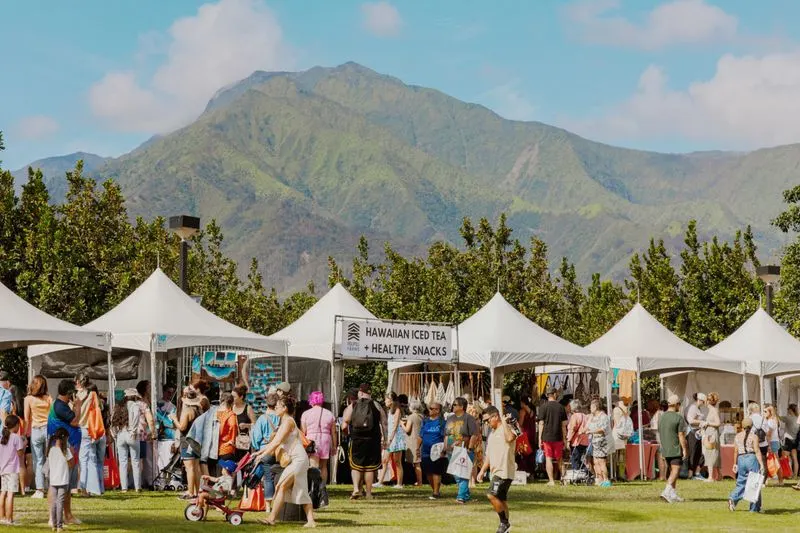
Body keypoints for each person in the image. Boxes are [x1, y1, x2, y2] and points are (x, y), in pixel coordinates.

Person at [258, 396, 316, 528]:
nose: (276, 408)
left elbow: (277, 442)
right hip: (296, 460)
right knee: (299, 489)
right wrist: (258, 453)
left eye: (278, 406)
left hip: (298, 460)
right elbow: (274, 442)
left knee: (282, 486)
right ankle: (311, 521)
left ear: (285, 408)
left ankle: (272, 518)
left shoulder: (288, 421)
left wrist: (262, 454)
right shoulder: (284, 421)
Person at [477, 406, 517, 533]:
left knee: (491, 495)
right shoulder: (492, 433)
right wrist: (482, 470)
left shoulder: (508, 428)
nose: (486, 423)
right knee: (502, 499)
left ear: (495, 416)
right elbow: (488, 455)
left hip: (504, 471)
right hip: (495, 471)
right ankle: (506, 528)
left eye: (488, 420)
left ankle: (504, 523)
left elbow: (510, 438)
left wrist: (504, 422)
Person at [47, 379, 81, 526]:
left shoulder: (62, 405)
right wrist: (78, 406)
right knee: (58, 484)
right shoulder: (60, 406)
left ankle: (66, 515)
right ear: (69, 393)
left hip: (66, 449)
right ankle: (57, 517)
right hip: (63, 451)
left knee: (64, 485)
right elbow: (74, 421)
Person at [345, 383, 384, 500]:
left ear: (360, 392)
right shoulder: (376, 405)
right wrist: (386, 438)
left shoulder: (353, 405)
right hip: (373, 439)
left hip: (357, 439)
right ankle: (368, 493)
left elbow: (345, 421)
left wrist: (348, 433)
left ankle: (356, 489)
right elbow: (384, 422)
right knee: (370, 467)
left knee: (356, 466)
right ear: (370, 393)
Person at [74, 373, 105, 496]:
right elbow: (100, 408)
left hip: (79, 428)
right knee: (91, 459)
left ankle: (83, 488)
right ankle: (94, 488)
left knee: (83, 460)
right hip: (90, 429)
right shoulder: (92, 394)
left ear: (78, 382)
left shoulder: (75, 396)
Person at [169, 387, 203, 498]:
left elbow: (182, 427)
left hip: (188, 441)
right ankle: (197, 492)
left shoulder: (187, 411)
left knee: (189, 468)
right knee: (196, 468)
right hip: (197, 441)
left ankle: (190, 492)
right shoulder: (199, 410)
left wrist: (174, 418)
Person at [728, 417, 766, 512]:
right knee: (754, 483)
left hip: (741, 459)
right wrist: (761, 464)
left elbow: (735, 451)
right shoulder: (754, 436)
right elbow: (757, 450)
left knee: (741, 482)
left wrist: (735, 463)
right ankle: (754, 508)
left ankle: (733, 498)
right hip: (751, 458)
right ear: (752, 425)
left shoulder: (737, 436)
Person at [251, 393, 281, 512]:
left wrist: (258, 449)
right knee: (280, 476)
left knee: (268, 478)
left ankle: (268, 506)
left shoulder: (262, 418)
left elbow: (256, 438)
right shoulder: (281, 418)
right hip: (279, 452)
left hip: (266, 452)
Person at [446, 397, 479, 503]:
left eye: (455, 404)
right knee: (456, 474)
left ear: (461, 407)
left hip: (464, 450)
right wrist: (445, 448)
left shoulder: (468, 418)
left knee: (463, 473)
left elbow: (474, 434)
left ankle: (461, 496)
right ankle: (466, 495)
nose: (453, 406)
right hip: (451, 450)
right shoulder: (450, 418)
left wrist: (470, 448)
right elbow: (446, 434)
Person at [111, 389, 145, 493]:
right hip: (131, 433)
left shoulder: (119, 406)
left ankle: (124, 487)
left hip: (121, 434)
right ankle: (137, 487)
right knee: (135, 461)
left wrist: (115, 435)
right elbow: (135, 419)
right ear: (134, 396)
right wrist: (133, 431)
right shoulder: (134, 405)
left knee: (123, 462)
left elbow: (112, 421)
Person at [24, 375, 51, 499]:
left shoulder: (28, 399)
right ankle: (52, 486)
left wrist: (24, 435)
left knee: (38, 461)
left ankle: (40, 489)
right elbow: (51, 416)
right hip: (48, 430)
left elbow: (26, 419)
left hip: (35, 430)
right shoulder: (48, 398)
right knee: (50, 459)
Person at [658, 394, 688, 503]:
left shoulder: (661, 417)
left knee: (672, 471)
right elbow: (681, 435)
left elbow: (660, 432)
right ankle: (666, 491)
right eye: (679, 404)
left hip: (665, 447)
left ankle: (673, 494)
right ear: (676, 405)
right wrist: (684, 449)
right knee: (676, 471)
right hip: (675, 447)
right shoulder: (678, 417)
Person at [301, 391, 336, 484]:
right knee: (324, 466)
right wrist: (334, 446)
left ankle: (314, 486)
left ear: (311, 400)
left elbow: (303, 432)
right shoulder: (329, 414)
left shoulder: (306, 414)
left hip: (311, 440)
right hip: (325, 439)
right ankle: (323, 487)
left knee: (313, 465)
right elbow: (333, 432)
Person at [537, 388, 568, 486]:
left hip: (546, 437)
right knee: (560, 459)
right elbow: (564, 425)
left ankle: (551, 480)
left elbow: (541, 424)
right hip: (558, 436)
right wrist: (565, 439)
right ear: (554, 394)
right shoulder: (561, 407)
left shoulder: (543, 407)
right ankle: (564, 479)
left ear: (547, 395)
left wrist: (539, 438)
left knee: (548, 458)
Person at [48, 428, 73, 533]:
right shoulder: (66, 451)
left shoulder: (51, 450)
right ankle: (59, 526)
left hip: (53, 481)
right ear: (65, 439)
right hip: (63, 481)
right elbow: (71, 464)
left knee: (54, 503)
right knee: (60, 503)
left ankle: (54, 525)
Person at [420, 402, 447, 499]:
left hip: (437, 451)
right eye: (429, 408)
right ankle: (435, 490)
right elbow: (421, 435)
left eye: (432, 408)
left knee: (436, 471)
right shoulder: (425, 421)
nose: (430, 410)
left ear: (438, 410)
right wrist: (417, 447)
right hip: (425, 451)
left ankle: (436, 492)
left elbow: (445, 436)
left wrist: (444, 449)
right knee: (428, 473)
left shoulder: (442, 422)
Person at [0, 415, 24, 525]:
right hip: (12, 470)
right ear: (16, 425)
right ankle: (9, 519)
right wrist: (24, 445)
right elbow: (20, 454)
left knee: (3, 493)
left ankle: (2, 517)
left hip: (3, 469)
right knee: (10, 494)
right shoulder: (16, 437)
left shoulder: (2, 437)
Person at [383, 392, 406, 489]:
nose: (385, 401)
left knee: (397, 461)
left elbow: (395, 425)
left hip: (396, 438)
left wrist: (391, 438)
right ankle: (381, 481)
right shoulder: (389, 411)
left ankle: (399, 483)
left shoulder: (397, 410)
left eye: (386, 399)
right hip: (390, 438)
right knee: (385, 460)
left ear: (391, 401)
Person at [587, 400, 612, 487]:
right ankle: (599, 479)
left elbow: (602, 429)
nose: (590, 408)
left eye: (591, 407)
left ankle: (606, 480)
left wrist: (591, 431)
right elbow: (588, 426)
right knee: (596, 461)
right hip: (594, 442)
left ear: (595, 407)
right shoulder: (593, 417)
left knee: (601, 461)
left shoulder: (603, 416)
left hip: (602, 442)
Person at [215, 392, 239, 477]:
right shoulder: (231, 415)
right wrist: (232, 439)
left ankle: (221, 488)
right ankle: (228, 489)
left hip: (217, 446)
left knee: (220, 471)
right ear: (232, 403)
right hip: (227, 446)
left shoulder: (216, 413)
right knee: (226, 472)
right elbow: (233, 425)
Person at [684, 393, 707, 479]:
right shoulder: (692, 408)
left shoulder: (697, 408)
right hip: (692, 433)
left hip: (697, 433)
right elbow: (690, 420)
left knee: (699, 453)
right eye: (703, 402)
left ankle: (696, 473)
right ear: (700, 400)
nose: (704, 404)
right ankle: (690, 474)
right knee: (693, 453)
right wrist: (702, 422)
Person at [232, 383, 255, 463]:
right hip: (232, 442)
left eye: (234, 397)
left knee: (244, 465)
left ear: (241, 397)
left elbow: (255, 425)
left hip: (244, 443)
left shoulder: (248, 408)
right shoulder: (231, 407)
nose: (232, 398)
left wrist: (246, 425)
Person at [402, 399, 424, 487]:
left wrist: (401, 424)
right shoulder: (421, 416)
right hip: (420, 440)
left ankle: (419, 482)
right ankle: (419, 481)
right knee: (417, 462)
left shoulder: (411, 417)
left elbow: (407, 430)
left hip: (413, 441)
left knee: (416, 463)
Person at [702, 392, 721, 482]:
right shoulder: (711, 410)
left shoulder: (713, 410)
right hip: (710, 432)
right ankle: (719, 475)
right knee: (714, 453)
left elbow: (718, 423)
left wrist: (708, 423)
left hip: (712, 434)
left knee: (710, 453)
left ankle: (710, 477)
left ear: (709, 401)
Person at [612, 400, 633, 480]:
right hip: (624, 435)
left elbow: (615, 423)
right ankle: (621, 474)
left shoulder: (616, 409)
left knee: (614, 455)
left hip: (616, 434)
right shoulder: (627, 409)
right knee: (622, 456)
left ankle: (615, 473)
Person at [516, 396, 537, 475]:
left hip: (524, 434)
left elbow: (521, 424)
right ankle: (531, 471)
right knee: (531, 453)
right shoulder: (532, 411)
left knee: (524, 453)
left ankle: (524, 470)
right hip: (532, 433)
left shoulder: (522, 411)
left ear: (523, 403)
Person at [567, 400, 589, 471]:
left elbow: (572, 429)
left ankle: (577, 474)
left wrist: (568, 440)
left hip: (577, 441)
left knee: (575, 459)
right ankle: (586, 472)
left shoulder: (574, 416)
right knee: (579, 459)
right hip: (585, 441)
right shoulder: (585, 416)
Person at [764, 405, 782, 485]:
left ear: (770, 413)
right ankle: (776, 480)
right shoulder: (773, 420)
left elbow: (769, 435)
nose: (764, 413)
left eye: (765, 411)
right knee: (774, 462)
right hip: (774, 442)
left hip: (772, 442)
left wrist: (769, 445)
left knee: (775, 462)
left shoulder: (771, 421)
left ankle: (780, 480)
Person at [782, 404, 799, 479]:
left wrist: (774, 412)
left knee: (786, 457)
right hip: (795, 440)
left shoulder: (788, 418)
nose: (787, 411)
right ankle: (795, 475)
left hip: (788, 440)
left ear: (790, 410)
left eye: (787, 409)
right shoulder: (798, 418)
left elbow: (779, 418)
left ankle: (790, 473)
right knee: (795, 458)